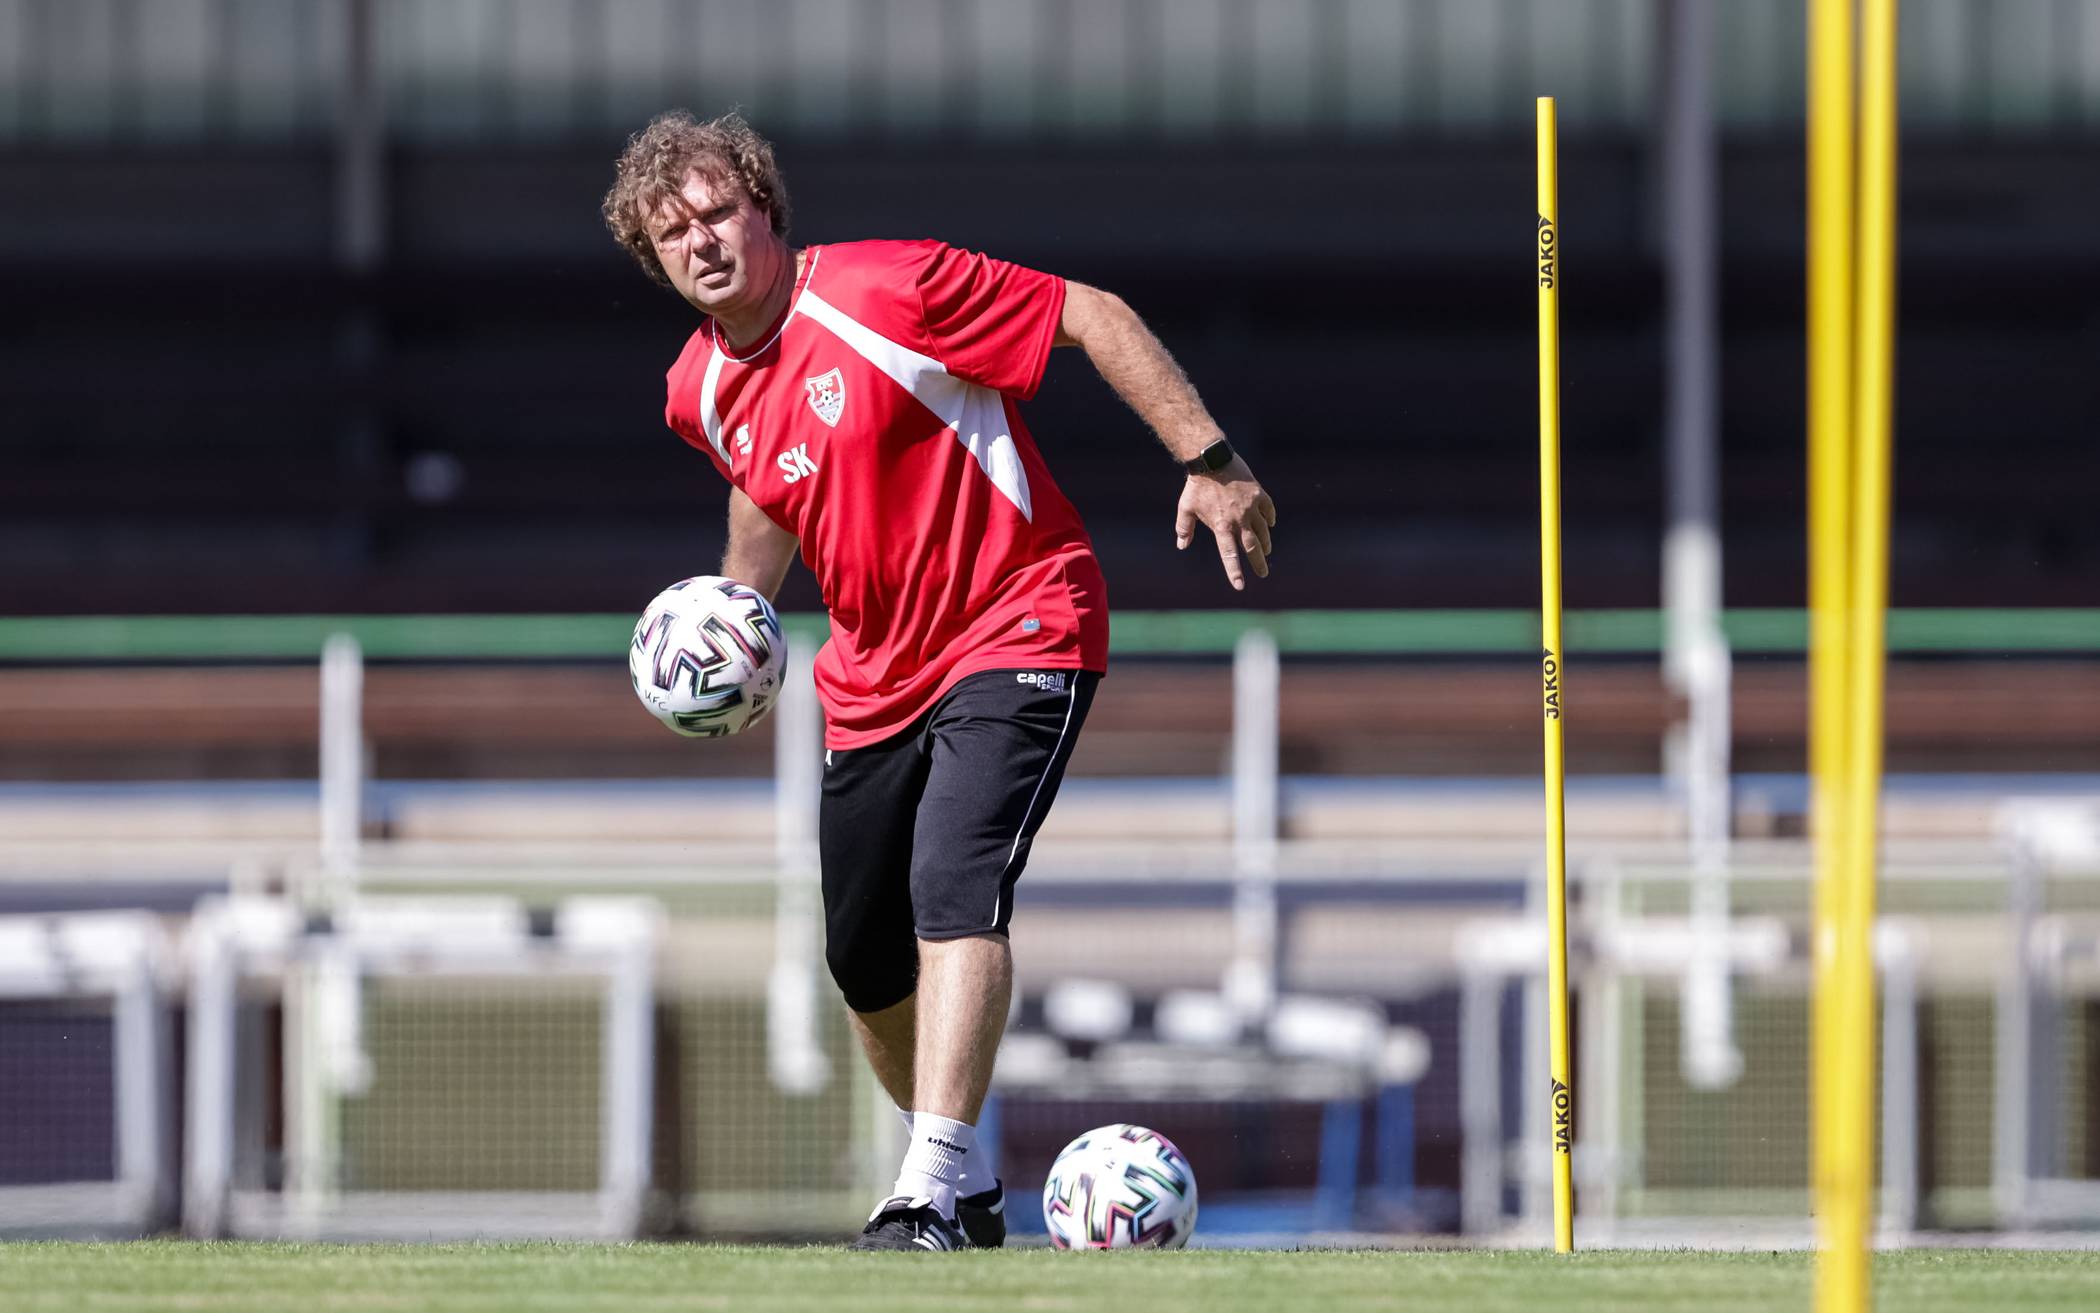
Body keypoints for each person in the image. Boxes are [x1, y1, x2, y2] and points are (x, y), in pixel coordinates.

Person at [602, 109, 1275, 1251]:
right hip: (871, 676)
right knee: (863, 957)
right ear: (653, 257)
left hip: (1020, 618)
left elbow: (1092, 313)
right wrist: (735, 621)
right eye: (673, 232)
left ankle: (924, 1189)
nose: (701, 240)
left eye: (719, 211)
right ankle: (968, 1187)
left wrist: (1207, 458)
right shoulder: (695, 389)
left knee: (953, 886)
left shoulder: (891, 288)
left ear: (765, 208)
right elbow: (770, 478)